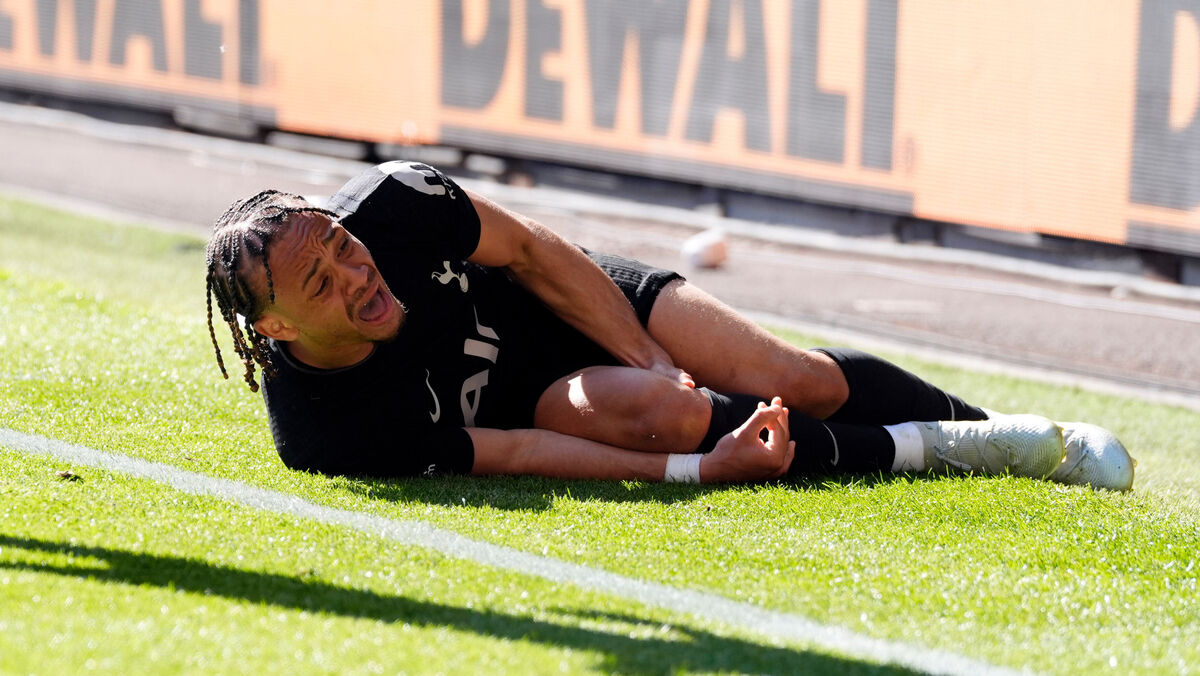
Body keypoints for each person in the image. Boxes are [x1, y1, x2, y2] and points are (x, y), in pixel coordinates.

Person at [203, 161, 1135, 490]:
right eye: (321, 283)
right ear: (275, 329)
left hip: (577, 300)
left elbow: (530, 250)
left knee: (794, 376)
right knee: (676, 417)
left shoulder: (393, 202)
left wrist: (647, 349)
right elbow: (515, 451)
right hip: (542, 402)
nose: (356, 273)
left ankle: (990, 424)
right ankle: (968, 451)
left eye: (343, 247)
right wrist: (694, 469)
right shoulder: (326, 432)